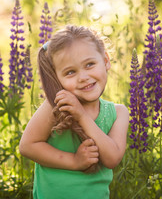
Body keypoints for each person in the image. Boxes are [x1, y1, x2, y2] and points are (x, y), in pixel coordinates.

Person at [19, 25, 129, 199]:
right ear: (57, 77)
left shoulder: (118, 113)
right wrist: (75, 162)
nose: (83, 77)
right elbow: (27, 146)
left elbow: (112, 158)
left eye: (90, 64)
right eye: (70, 72)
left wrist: (82, 116)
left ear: (106, 60)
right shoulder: (55, 106)